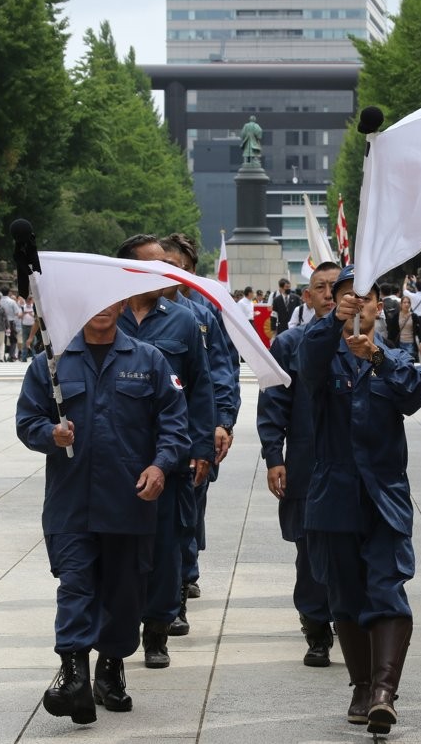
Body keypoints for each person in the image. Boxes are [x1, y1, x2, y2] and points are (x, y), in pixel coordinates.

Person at [16, 301, 190, 724]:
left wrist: (160, 464)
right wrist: (50, 434)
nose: (102, 311)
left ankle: (110, 668)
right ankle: (72, 670)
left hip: (129, 501)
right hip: (71, 500)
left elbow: (174, 423)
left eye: (110, 303)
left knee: (124, 593)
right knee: (75, 585)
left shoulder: (149, 360)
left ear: (122, 307)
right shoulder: (51, 364)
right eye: (92, 303)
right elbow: (27, 421)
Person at [299, 265, 421, 735]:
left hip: (384, 494)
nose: (359, 304)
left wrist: (376, 355)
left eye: (367, 297)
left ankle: (384, 691)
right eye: (347, 297)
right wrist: (334, 323)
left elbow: (413, 395)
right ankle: (360, 684)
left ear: (381, 305)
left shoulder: (393, 356)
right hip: (333, 492)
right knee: (346, 595)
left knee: (388, 587)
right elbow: (306, 361)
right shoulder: (321, 351)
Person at [116, 234, 215, 669]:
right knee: (117, 551)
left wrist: (201, 449)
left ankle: (157, 630)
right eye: (153, 265)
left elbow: (201, 387)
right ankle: (116, 629)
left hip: (170, 455)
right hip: (115, 455)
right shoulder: (103, 318)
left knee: (166, 547)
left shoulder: (182, 322)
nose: (164, 272)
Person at [257, 261, 341, 668]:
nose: (329, 294)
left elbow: (400, 391)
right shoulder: (289, 344)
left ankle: (353, 619)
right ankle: (316, 627)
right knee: (310, 552)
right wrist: (275, 456)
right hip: (308, 465)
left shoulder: (365, 343)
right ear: (306, 297)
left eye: (336, 287)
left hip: (358, 468)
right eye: (320, 288)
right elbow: (274, 403)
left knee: (355, 551)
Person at [158, 233, 241, 613]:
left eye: (182, 268)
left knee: (189, 506)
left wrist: (222, 421)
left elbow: (221, 373)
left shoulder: (203, 315)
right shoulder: (130, 310)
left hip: (195, 428)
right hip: (150, 432)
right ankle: (171, 579)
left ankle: (181, 577)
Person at [396, 295, 420, 362]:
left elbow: (419, 331)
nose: (406, 304)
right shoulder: (396, 316)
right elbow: (392, 330)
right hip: (400, 343)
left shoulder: (414, 316)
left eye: (408, 302)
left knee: (410, 362)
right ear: (401, 304)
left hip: (410, 343)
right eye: (404, 302)